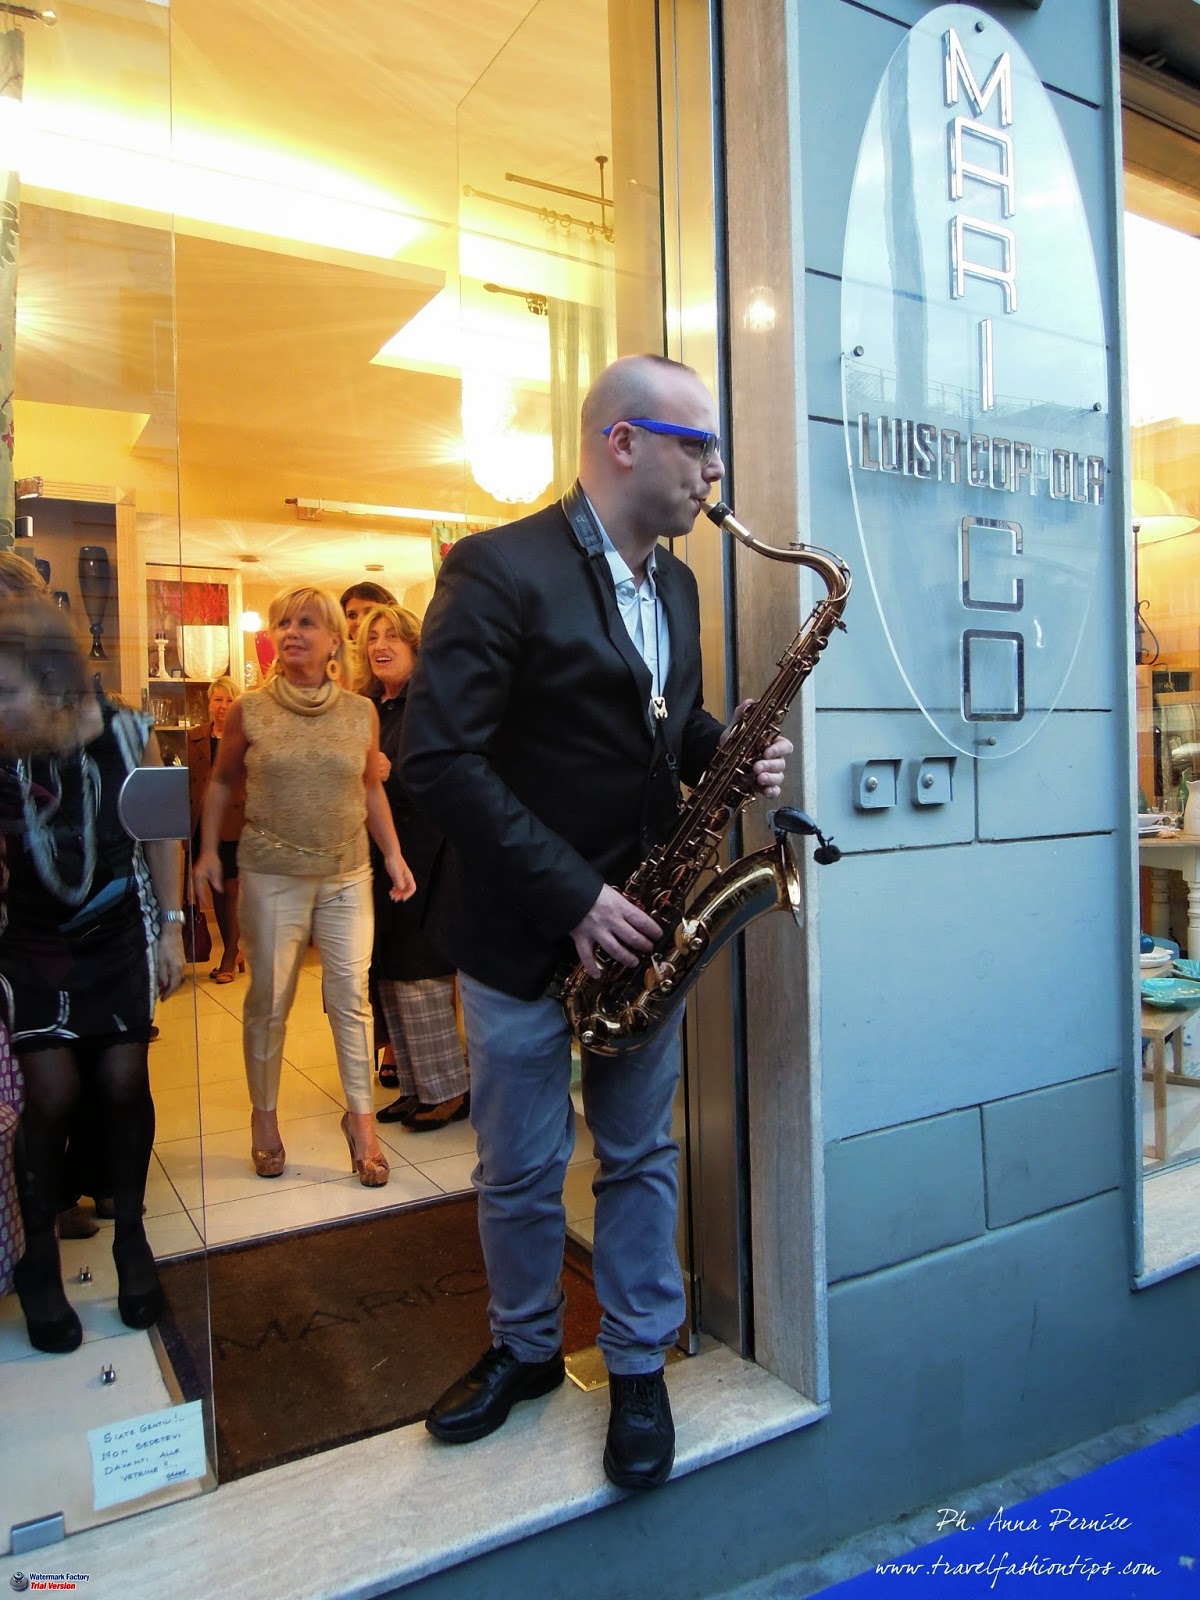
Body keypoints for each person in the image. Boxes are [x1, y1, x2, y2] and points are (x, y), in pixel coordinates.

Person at [399, 354, 791, 1490]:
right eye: (697, 445)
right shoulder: (497, 567)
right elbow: (438, 760)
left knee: (640, 1155)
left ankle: (636, 1361)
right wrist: (573, 894)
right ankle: (524, 1347)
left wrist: (725, 749)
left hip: (644, 933)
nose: (714, 471)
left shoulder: (679, 586)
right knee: (521, 1167)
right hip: (528, 930)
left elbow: (658, 730)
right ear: (622, 441)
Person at [0, 599, 186, 1353]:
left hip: (117, 934)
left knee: (122, 1081)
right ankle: (38, 1259)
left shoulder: (130, 731)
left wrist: (172, 926)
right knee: (51, 1094)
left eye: (6, 690)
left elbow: (163, 832)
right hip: (30, 939)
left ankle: (132, 1239)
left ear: (49, 680)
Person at [194, 585, 415, 1189]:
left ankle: (361, 1124)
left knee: (350, 1000)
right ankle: (264, 1117)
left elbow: (370, 787)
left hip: (348, 873)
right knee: (270, 1001)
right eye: (284, 623)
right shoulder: (249, 710)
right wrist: (208, 850)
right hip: (272, 873)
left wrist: (393, 854)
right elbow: (221, 781)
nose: (292, 632)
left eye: (307, 623)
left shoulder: (360, 713)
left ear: (334, 641)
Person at [354, 604, 469, 1130]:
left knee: (421, 969)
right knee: (389, 969)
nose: (380, 645)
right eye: (372, 637)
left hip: (425, 852)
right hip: (376, 856)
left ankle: (449, 1089)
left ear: (415, 646)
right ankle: (415, 1086)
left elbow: (449, 772)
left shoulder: (431, 702)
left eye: (392, 637)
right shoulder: (368, 707)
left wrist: (390, 772)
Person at [188, 675, 246, 981]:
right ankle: (233, 950)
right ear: (209, 703)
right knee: (218, 891)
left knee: (233, 890)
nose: (223, 706)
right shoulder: (194, 737)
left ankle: (229, 957)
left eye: (229, 700)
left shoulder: (245, 737)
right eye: (218, 699)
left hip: (237, 823)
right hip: (205, 826)